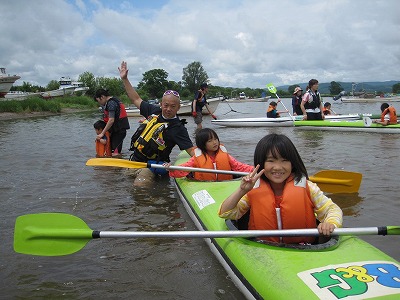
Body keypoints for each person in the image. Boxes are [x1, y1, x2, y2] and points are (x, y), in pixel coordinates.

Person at [219, 133, 343, 244]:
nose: (278, 167)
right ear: (261, 163)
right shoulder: (252, 189)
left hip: (303, 247)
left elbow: (332, 209)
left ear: (292, 164)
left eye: (284, 161)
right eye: (271, 161)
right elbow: (226, 213)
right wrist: (242, 190)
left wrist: (330, 223)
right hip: (264, 246)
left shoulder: (308, 187)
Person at [118, 61, 194, 185]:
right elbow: (136, 99)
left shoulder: (178, 128)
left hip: (153, 167)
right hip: (135, 161)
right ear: (161, 104)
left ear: (178, 108)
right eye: (166, 105)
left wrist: (209, 156)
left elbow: (191, 150)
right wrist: (125, 79)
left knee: (139, 187)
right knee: (119, 184)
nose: (169, 109)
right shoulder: (154, 111)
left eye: (173, 106)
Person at [167, 128, 253, 181]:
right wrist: (171, 169)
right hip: (205, 184)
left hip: (225, 183)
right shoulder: (196, 158)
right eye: (210, 141)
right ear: (202, 144)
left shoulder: (225, 155)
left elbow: (239, 167)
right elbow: (183, 169)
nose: (214, 142)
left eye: (215, 139)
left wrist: (254, 169)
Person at [94, 88, 130, 156]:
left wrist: (102, 133)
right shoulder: (113, 101)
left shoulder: (111, 103)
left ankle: (116, 165)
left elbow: (111, 120)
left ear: (102, 97)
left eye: (99, 101)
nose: (99, 103)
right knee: (111, 150)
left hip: (119, 131)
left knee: (115, 153)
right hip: (116, 130)